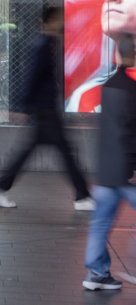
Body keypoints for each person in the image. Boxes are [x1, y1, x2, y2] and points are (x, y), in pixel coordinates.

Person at [0, 7, 94, 210]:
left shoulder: (49, 43)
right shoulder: (43, 45)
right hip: (45, 110)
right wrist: (21, 107)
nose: (62, 23)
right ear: (49, 21)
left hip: (46, 109)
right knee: (64, 152)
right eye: (59, 19)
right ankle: (82, 196)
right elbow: (31, 76)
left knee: (34, 152)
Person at [82, 34, 136, 291]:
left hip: (106, 169)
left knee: (100, 223)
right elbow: (131, 132)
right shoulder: (131, 88)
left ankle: (96, 273)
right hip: (123, 171)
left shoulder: (110, 85)